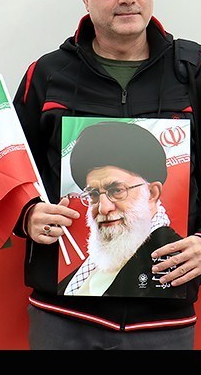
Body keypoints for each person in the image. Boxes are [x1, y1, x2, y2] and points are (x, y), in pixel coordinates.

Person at [12, 0, 201, 350]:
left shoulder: (191, 70)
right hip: (64, 317)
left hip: (163, 322)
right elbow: (9, 175)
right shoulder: (48, 75)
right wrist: (27, 215)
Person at [58, 120, 185, 298]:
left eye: (116, 191)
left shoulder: (175, 261)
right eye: (94, 194)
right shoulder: (88, 270)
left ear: (151, 193)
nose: (103, 208)